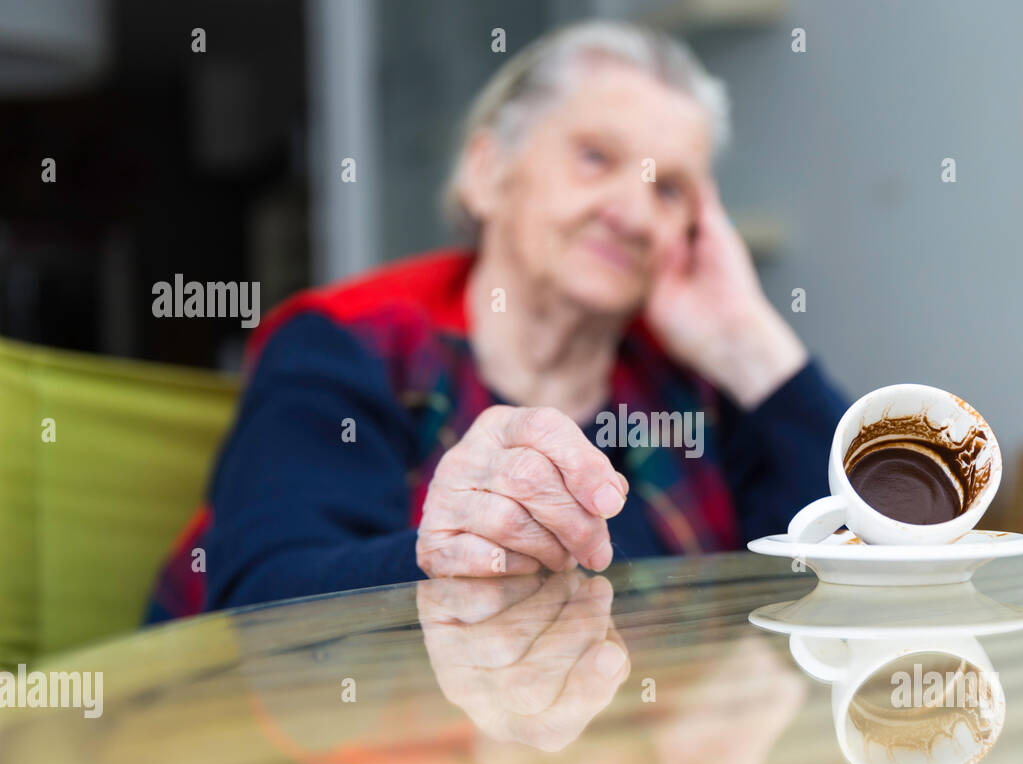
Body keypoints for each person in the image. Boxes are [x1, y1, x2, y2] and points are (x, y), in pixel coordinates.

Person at [145, 20, 846, 622]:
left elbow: (844, 567)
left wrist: (749, 343)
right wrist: (444, 555)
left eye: (668, 189)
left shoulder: (688, 384)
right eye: (595, 156)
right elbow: (260, 607)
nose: (633, 215)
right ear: (487, 172)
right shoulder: (347, 346)